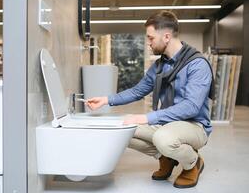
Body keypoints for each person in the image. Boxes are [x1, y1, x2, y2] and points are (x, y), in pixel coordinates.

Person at [85, 10, 214, 189]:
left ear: (166, 36)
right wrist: (106, 100)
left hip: (194, 126)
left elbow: (191, 107)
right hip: (169, 123)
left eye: (150, 38)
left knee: (163, 138)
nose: (148, 43)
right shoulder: (160, 66)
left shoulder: (197, 64)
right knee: (122, 129)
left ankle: (193, 163)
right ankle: (166, 159)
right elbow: (138, 91)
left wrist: (146, 118)